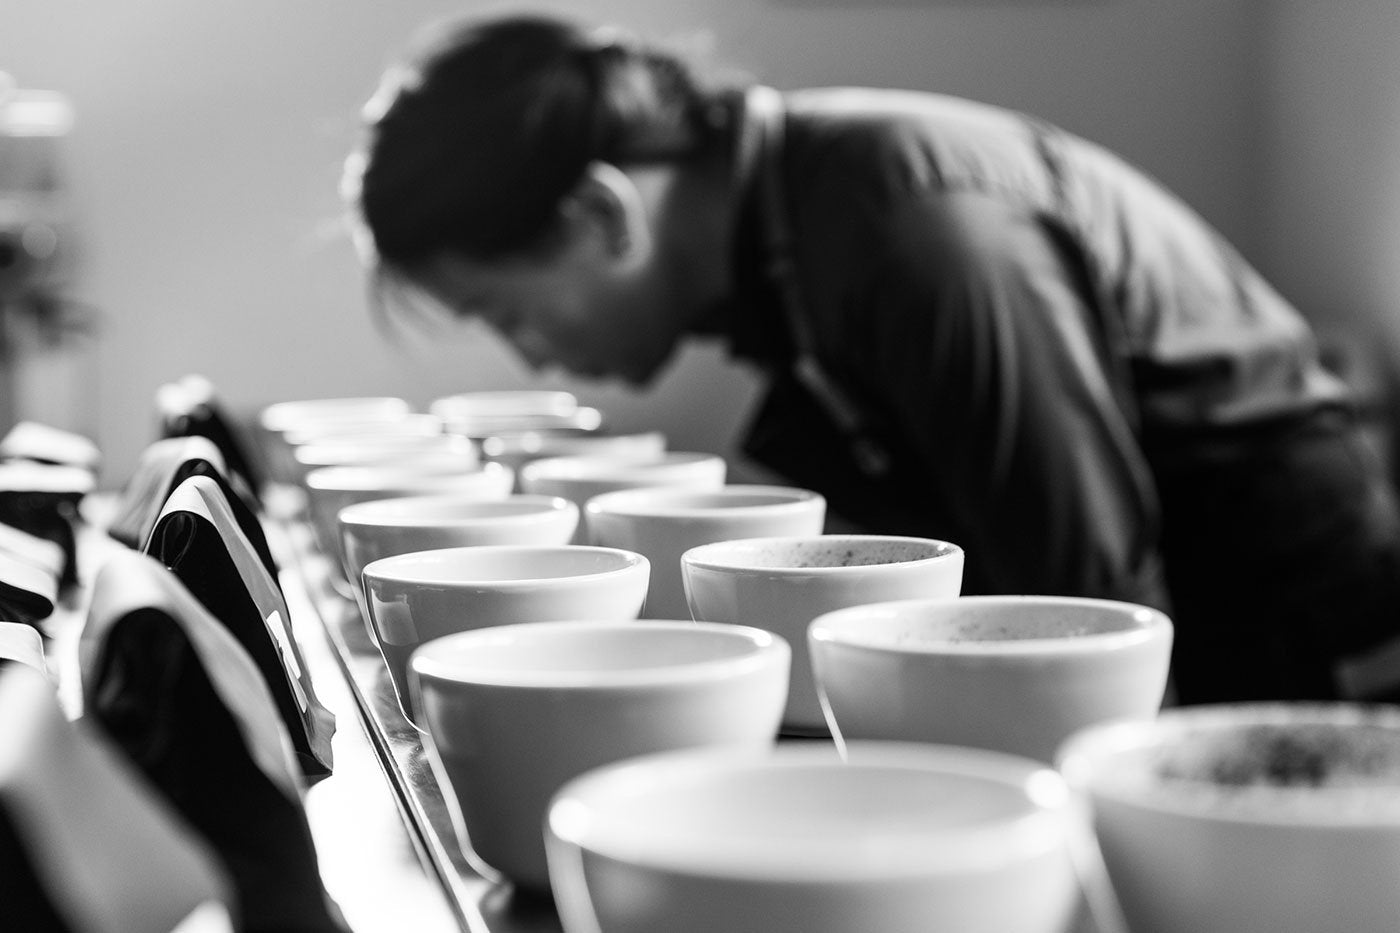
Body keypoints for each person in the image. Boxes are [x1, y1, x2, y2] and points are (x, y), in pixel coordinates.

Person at [342, 12, 1400, 704]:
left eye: (504, 312)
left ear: (599, 215)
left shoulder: (907, 230)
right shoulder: (796, 220)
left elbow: (1086, 607)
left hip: (1281, 634)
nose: (532, 358)